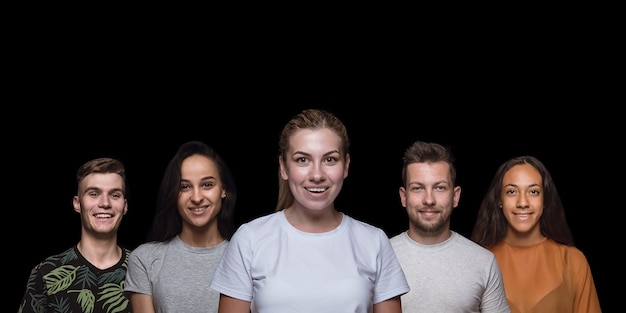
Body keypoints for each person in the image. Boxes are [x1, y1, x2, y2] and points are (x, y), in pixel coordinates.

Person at [210, 109, 409, 313]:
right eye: (302, 160)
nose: (316, 175)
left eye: (329, 159)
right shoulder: (249, 239)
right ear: (283, 167)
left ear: (346, 165)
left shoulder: (374, 242)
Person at [389, 141, 510, 313]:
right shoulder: (379, 258)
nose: (429, 200)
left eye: (439, 188)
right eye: (418, 188)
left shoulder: (484, 262)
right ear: (403, 196)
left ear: (455, 196)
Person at [470, 155, 602, 313]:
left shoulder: (573, 261)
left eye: (533, 192)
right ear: (500, 200)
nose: (523, 203)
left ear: (545, 200)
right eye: (512, 191)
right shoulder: (478, 261)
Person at [124, 140, 237, 313]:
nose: (197, 197)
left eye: (207, 184)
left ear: (223, 189)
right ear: (173, 194)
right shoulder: (145, 259)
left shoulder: (244, 258)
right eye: (184, 187)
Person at [18, 157, 132, 313]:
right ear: (77, 203)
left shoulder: (142, 271)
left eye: (115, 195)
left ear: (125, 206)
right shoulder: (46, 272)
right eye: (93, 194)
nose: (105, 203)